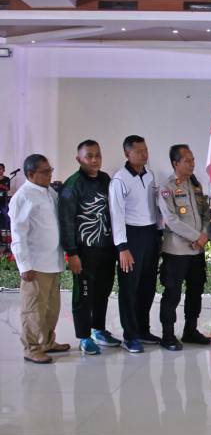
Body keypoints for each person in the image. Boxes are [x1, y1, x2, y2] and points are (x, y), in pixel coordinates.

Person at [58, 140, 121, 355]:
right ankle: (84, 336)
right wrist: (72, 253)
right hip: (84, 251)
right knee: (84, 294)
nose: (94, 160)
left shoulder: (105, 179)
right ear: (79, 159)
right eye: (89, 156)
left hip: (106, 247)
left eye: (98, 155)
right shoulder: (72, 185)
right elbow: (66, 222)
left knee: (103, 291)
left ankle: (98, 329)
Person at [10, 154, 69, 363]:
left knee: (51, 308)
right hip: (35, 265)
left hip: (53, 261)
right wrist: (24, 265)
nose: (49, 174)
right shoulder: (22, 197)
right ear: (30, 174)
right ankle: (31, 347)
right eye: (45, 172)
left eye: (50, 170)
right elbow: (18, 234)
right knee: (33, 309)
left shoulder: (49, 191)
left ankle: (47, 342)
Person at [157, 145, 211, 351]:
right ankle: (168, 335)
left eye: (193, 160)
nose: (192, 164)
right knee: (172, 294)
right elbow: (171, 220)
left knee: (195, 291)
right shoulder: (167, 187)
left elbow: (205, 214)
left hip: (196, 251)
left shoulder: (195, 185)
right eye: (187, 161)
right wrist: (197, 237)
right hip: (176, 251)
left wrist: (203, 235)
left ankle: (191, 330)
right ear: (175, 163)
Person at [109, 135, 162, 353]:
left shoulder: (150, 175)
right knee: (130, 288)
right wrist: (122, 247)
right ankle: (130, 335)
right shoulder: (120, 179)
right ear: (127, 153)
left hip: (150, 234)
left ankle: (143, 329)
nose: (144, 154)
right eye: (139, 151)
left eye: (145, 150)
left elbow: (155, 207)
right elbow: (116, 215)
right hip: (130, 236)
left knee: (148, 285)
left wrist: (159, 232)